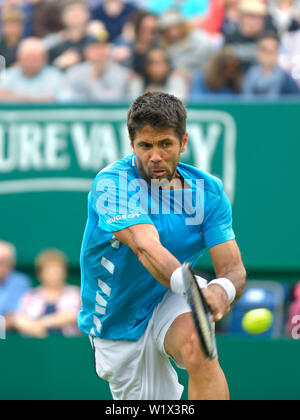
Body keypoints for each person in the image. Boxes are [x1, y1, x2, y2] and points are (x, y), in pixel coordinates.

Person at [78, 91, 247, 400]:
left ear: (183, 142)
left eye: (165, 144)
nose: (155, 156)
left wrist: (222, 291)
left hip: (169, 294)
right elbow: (145, 247)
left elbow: (233, 268)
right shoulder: (111, 184)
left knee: (199, 345)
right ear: (132, 145)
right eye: (145, 145)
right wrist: (194, 291)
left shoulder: (207, 192)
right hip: (119, 320)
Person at [14, 249, 81, 338]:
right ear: (39, 274)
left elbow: (72, 315)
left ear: (64, 272)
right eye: (49, 271)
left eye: (57, 270)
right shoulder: (31, 295)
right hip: (36, 344)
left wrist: (43, 323)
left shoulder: (75, 293)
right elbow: (19, 318)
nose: (53, 274)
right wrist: (32, 328)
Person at [59, 36, 140, 101]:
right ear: (86, 52)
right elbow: (65, 98)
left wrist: (94, 79)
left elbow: (113, 101)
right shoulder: (74, 72)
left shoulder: (121, 73)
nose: (100, 52)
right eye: (95, 48)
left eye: (103, 48)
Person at [158, 8, 220, 75]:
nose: (173, 33)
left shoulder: (199, 37)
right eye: (168, 30)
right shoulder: (164, 47)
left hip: (204, 74)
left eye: (176, 27)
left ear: (182, 25)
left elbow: (210, 58)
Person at [0, 37, 63, 101]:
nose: (32, 61)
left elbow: (61, 98)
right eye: (28, 57)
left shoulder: (55, 76)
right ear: (19, 57)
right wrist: (40, 98)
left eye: (36, 58)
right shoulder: (7, 75)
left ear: (44, 59)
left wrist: (14, 96)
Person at [225, 0, 277, 72]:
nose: (253, 22)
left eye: (258, 17)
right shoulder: (231, 38)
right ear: (241, 18)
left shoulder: (269, 39)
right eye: (250, 16)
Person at [242, 31, 300, 97]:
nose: (268, 55)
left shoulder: (287, 81)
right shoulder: (248, 77)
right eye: (264, 50)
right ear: (257, 53)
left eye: (272, 51)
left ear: (278, 52)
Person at [0, 240, 31, 331]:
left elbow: (15, 317)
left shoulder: (20, 282)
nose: (1, 265)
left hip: (10, 336)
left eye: (4, 261)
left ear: (12, 262)